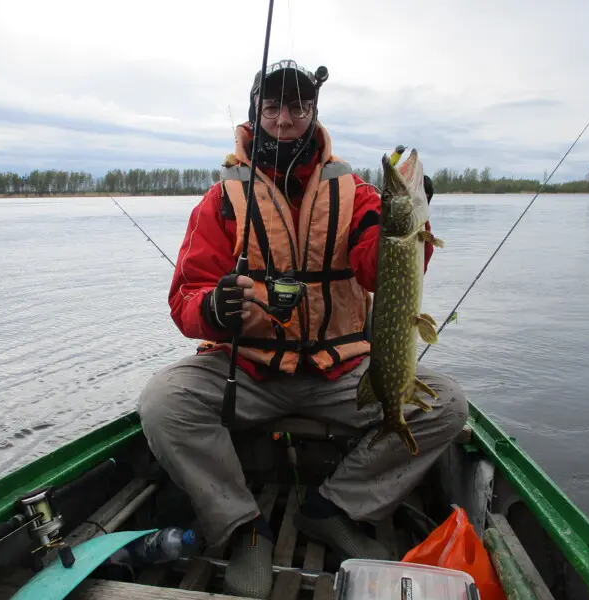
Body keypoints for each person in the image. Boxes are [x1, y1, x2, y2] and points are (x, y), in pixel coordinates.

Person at [137, 59, 469, 598]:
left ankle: (333, 505)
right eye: (273, 107)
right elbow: (186, 297)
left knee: (447, 406)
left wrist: (409, 220)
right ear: (257, 114)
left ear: (313, 113)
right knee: (163, 402)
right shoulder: (221, 201)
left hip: (342, 372)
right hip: (249, 372)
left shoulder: (357, 193)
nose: (285, 118)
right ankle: (243, 525)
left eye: (298, 106)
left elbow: (379, 271)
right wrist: (214, 309)